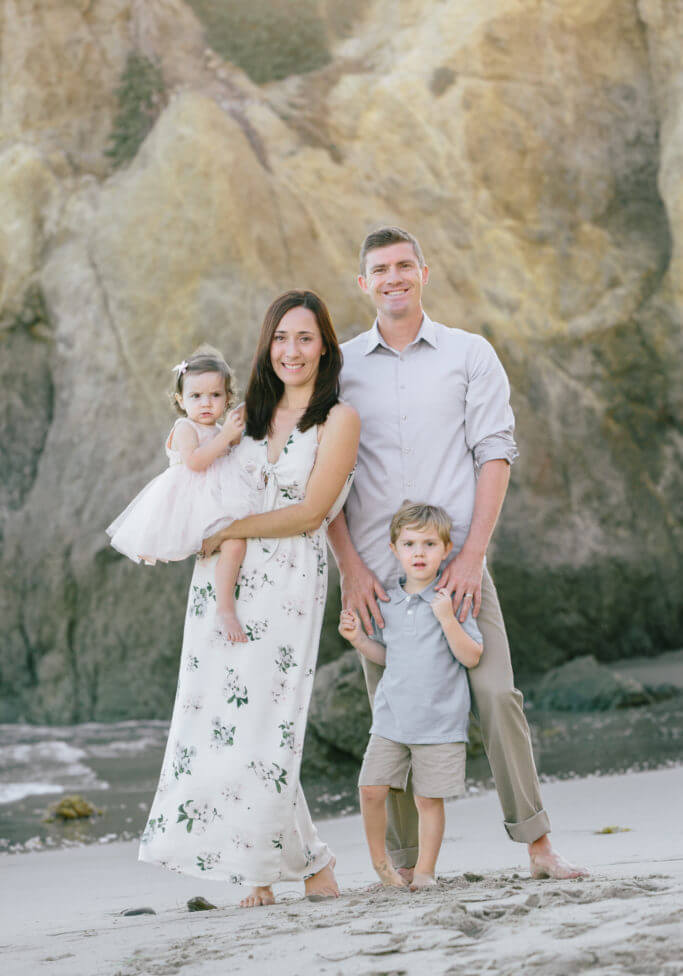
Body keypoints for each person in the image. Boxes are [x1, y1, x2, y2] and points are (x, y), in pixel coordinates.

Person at [328, 226, 587, 880]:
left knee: (497, 695)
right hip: (377, 574)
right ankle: (410, 868)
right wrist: (349, 568)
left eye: (402, 266)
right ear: (363, 283)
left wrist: (472, 555)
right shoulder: (341, 368)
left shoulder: (468, 354)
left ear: (423, 271)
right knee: (396, 712)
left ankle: (537, 846)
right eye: (379, 270)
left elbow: (494, 452)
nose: (392, 278)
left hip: (457, 566)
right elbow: (321, 479)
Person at [139, 291, 360, 909]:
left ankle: (281, 866)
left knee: (270, 724)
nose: (292, 350)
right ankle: (298, 868)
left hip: (288, 576)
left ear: (325, 347)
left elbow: (313, 511)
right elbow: (195, 464)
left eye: (306, 338)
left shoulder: (338, 419)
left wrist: (232, 530)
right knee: (227, 722)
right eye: (281, 338)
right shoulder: (248, 413)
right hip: (224, 579)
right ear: (268, 346)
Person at [339, 502, 483, 891]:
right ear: (394, 549)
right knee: (370, 789)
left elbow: (471, 655)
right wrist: (358, 640)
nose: (419, 552)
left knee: (427, 801)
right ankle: (381, 864)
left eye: (429, 544)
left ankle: (424, 871)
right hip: (392, 720)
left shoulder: (452, 598)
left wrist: (448, 619)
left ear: (446, 549)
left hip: (439, 723)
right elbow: (388, 657)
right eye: (409, 544)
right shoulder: (389, 601)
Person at [107, 345, 258, 642]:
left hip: (219, 494)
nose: (206, 403)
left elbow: (231, 457)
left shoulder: (218, 428)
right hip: (191, 502)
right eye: (196, 396)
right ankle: (224, 607)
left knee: (239, 542)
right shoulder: (185, 427)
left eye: (215, 395)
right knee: (235, 541)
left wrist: (233, 437)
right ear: (181, 400)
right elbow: (196, 462)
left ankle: (231, 599)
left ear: (228, 399)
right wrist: (225, 437)